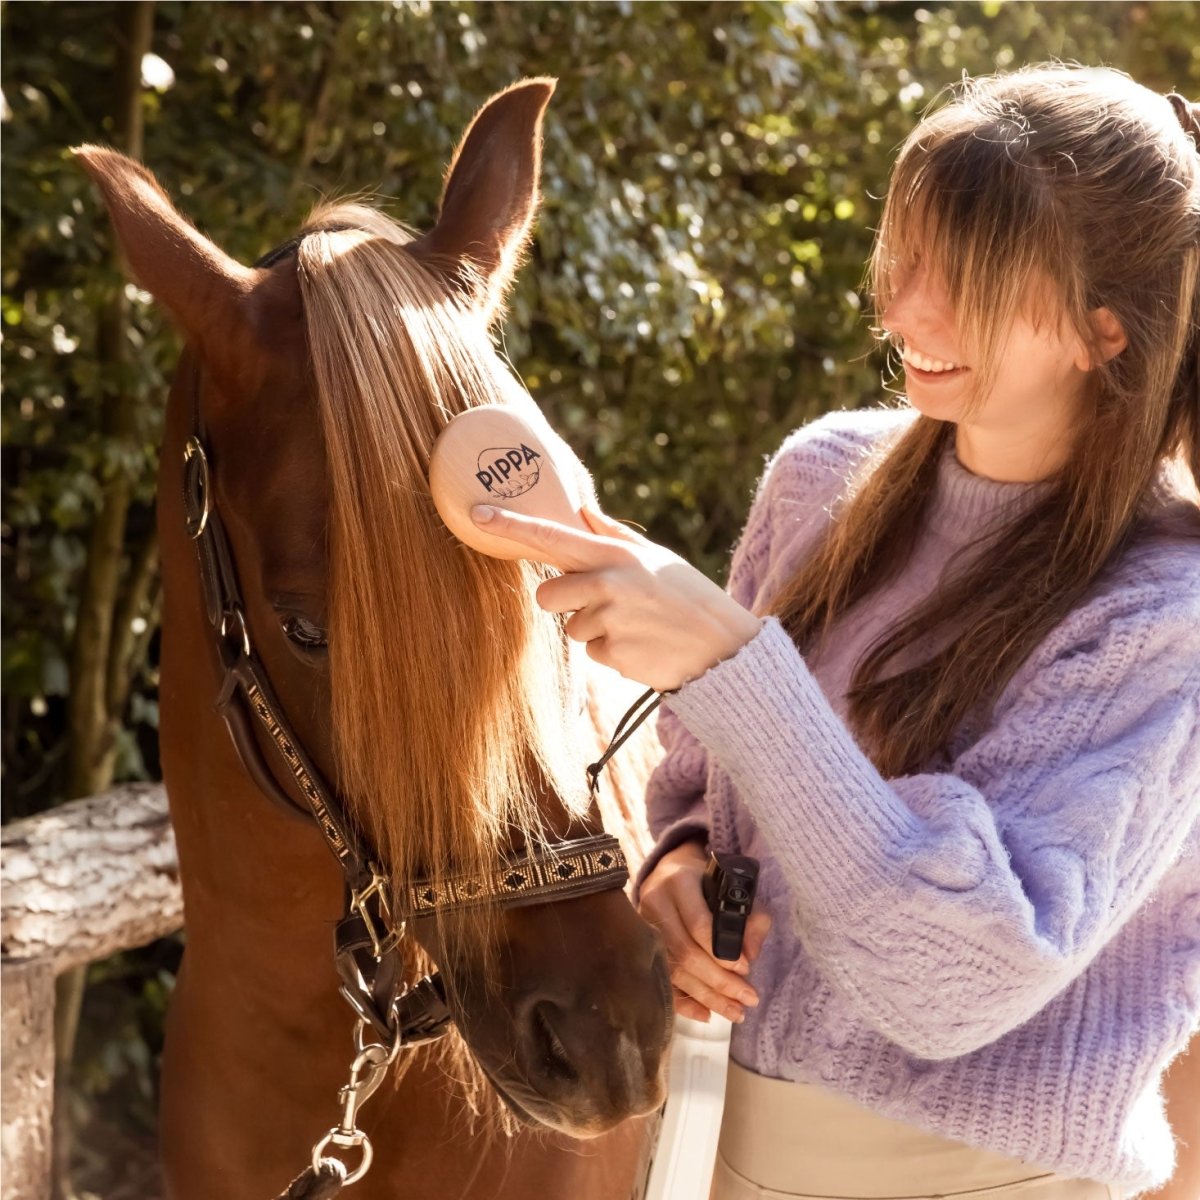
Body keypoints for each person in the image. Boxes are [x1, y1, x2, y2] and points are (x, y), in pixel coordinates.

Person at [471, 65, 1200, 1200]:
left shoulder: (1161, 616)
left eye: (966, 280)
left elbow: (955, 979)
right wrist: (677, 867)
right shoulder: (821, 484)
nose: (906, 310)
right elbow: (710, 790)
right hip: (727, 1145)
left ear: (1104, 329)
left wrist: (730, 658)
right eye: (907, 256)